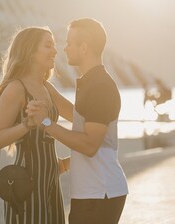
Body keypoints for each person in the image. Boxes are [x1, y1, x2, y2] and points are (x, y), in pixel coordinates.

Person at [27, 18, 128, 224]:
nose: (64, 49)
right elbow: (77, 118)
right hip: (93, 193)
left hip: (100, 193)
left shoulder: (100, 87)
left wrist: (46, 123)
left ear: (83, 48)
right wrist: (42, 85)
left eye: (69, 43)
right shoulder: (91, 82)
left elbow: (89, 145)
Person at [0, 26, 73, 224]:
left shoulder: (47, 87)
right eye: (48, 45)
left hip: (52, 178)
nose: (55, 51)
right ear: (30, 50)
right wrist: (27, 124)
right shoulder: (16, 88)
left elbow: (78, 116)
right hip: (25, 182)